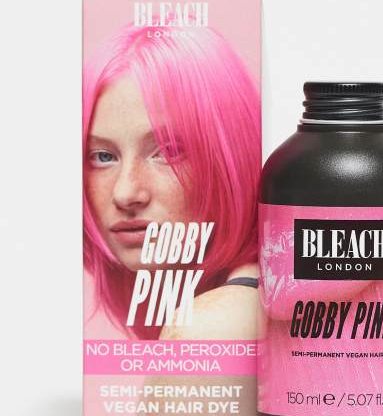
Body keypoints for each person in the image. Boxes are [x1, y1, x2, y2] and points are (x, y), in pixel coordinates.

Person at [83, 21, 260, 341]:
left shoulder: (210, 325)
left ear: (229, 159)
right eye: (103, 156)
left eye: (168, 151)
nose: (126, 193)